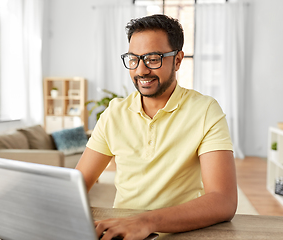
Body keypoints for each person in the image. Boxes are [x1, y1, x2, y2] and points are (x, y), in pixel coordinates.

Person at [76, 14, 237, 240]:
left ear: (178, 60)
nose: (141, 70)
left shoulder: (205, 110)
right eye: (133, 59)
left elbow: (223, 200)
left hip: (180, 232)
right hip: (122, 234)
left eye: (153, 59)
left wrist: (146, 221)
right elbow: (78, 184)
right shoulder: (114, 113)